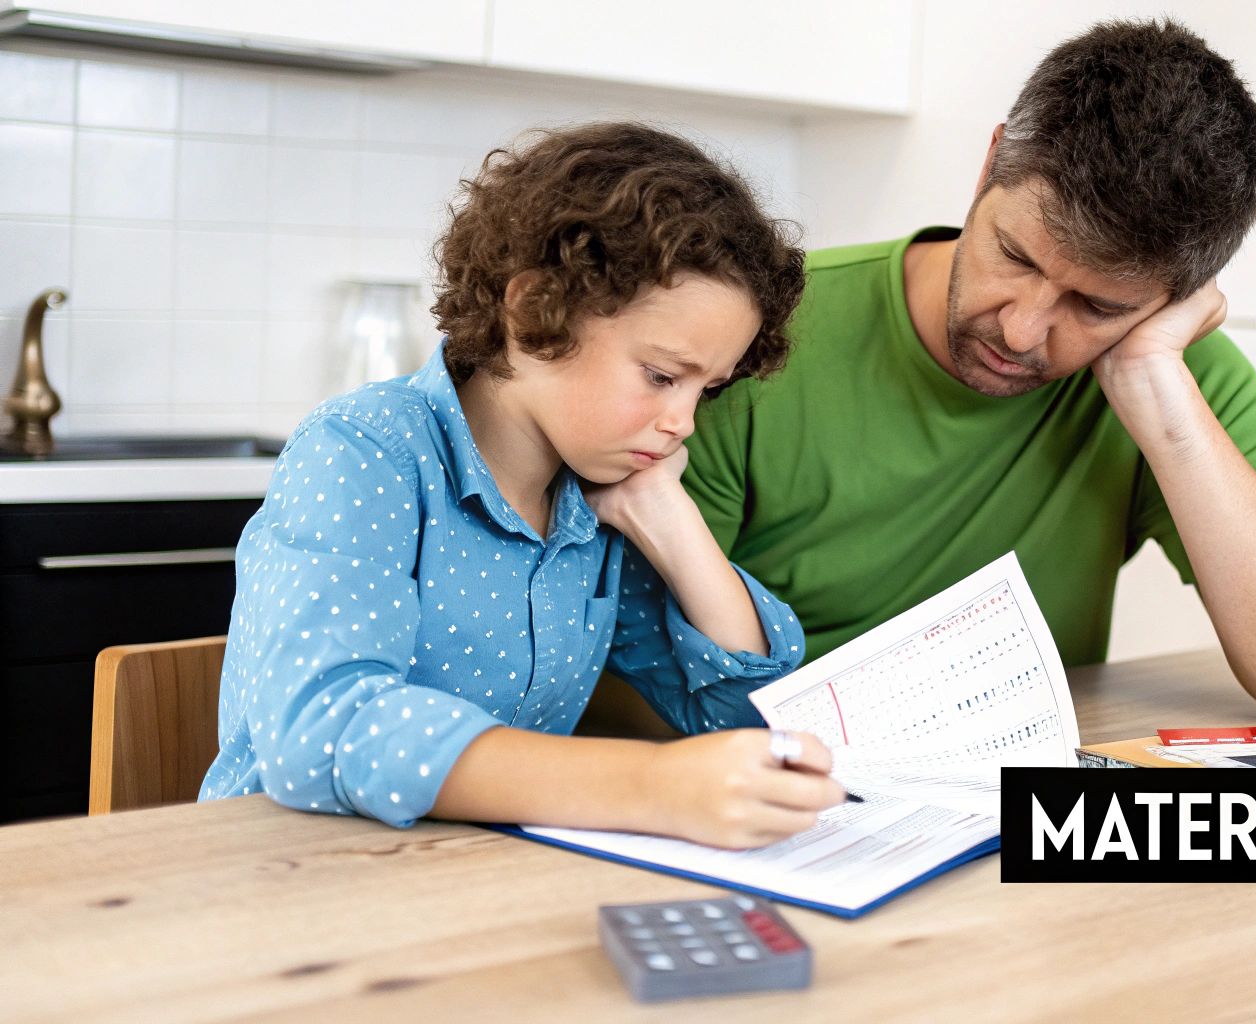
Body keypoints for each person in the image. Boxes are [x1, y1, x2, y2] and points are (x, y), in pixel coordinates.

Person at [683, 19, 1256, 725]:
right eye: (1015, 256)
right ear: (991, 164)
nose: (1020, 331)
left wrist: (1158, 398)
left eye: (1098, 305)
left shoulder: (1176, 376)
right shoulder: (750, 330)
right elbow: (643, 684)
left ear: (1178, 297)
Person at [200, 123, 845, 848]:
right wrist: (647, 785)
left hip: (476, 873)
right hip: (290, 871)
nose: (684, 423)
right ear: (534, 310)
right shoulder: (367, 450)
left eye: (707, 390)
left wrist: (666, 513)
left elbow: (745, 714)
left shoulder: (594, 499)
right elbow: (326, 729)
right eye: (662, 376)